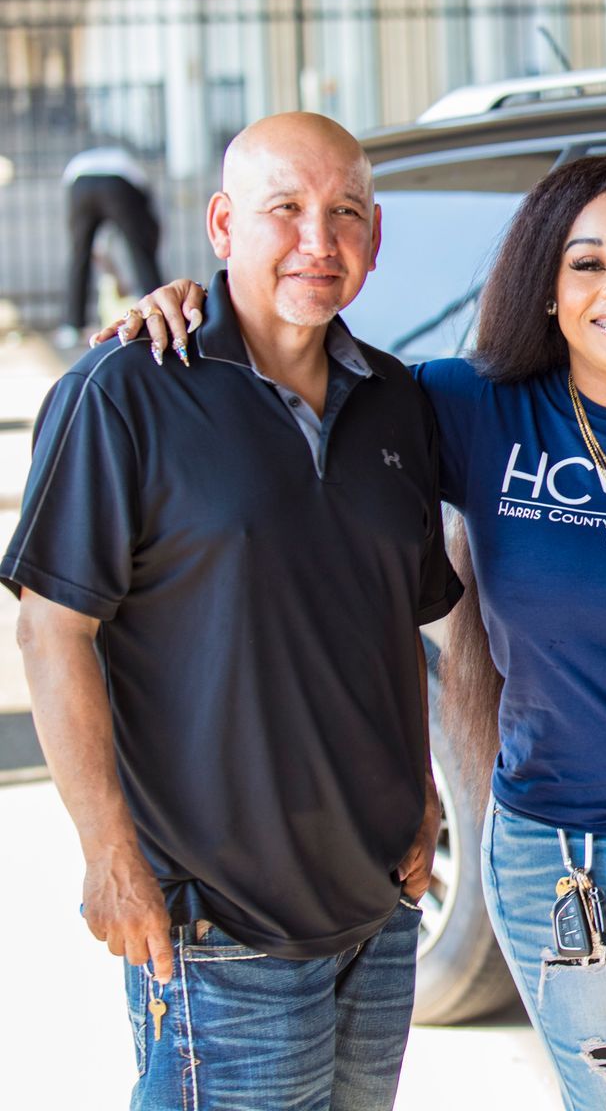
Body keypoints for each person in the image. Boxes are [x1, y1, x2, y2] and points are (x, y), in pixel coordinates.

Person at [112, 153, 606, 1111]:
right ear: (548, 293)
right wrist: (200, 302)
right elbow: (299, 369)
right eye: (585, 263)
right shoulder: (474, 408)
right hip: (565, 858)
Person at [8, 113, 460, 1110]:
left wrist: (423, 791)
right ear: (222, 224)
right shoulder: (125, 390)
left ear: (376, 238)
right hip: (218, 926)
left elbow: (404, 618)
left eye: (346, 213)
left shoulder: (396, 402)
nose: (319, 241)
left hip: (376, 910)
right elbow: (51, 629)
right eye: (284, 210)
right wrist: (108, 857)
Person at [62, 144, 165, 345]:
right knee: (141, 253)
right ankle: (158, 315)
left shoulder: (86, 161)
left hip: (79, 182)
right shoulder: (133, 172)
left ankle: (72, 325)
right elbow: (148, 229)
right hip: (119, 184)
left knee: (79, 255)